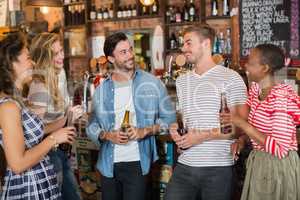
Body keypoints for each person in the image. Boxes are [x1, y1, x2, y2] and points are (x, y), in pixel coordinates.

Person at [86, 32, 176, 200]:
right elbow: (91, 125)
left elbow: (170, 121)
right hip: (108, 165)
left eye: (130, 50)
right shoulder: (101, 90)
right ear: (111, 59)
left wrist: (145, 131)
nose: (130, 55)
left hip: (138, 163)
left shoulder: (153, 83)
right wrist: (107, 135)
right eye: (123, 52)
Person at [164, 25, 248, 200]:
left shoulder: (231, 77)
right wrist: (175, 127)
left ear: (206, 43)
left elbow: (241, 128)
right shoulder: (182, 81)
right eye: (183, 43)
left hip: (217, 168)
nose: (183, 48)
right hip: (185, 165)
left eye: (188, 43)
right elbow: (185, 119)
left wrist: (201, 136)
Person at [0, 33, 76, 199]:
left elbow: (33, 131)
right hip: (27, 187)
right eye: (28, 58)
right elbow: (18, 164)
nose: (33, 63)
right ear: (12, 63)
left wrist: (66, 120)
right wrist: (54, 138)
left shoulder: (16, 100)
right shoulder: (8, 106)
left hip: (39, 182)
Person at [228, 44, 300, 200]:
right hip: (261, 162)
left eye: (251, 63)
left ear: (265, 68)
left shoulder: (280, 98)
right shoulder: (256, 91)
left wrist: (242, 124)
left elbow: (280, 149)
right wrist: (242, 140)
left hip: (279, 166)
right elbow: (258, 130)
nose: (245, 65)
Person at [27, 32, 83, 200]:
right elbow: (35, 131)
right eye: (55, 54)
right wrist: (66, 119)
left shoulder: (60, 74)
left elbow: (63, 111)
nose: (61, 57)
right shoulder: (39, 86)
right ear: (44, 57)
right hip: (48, 154)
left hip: (61, 151)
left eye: (61, 52)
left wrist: (71, 116)